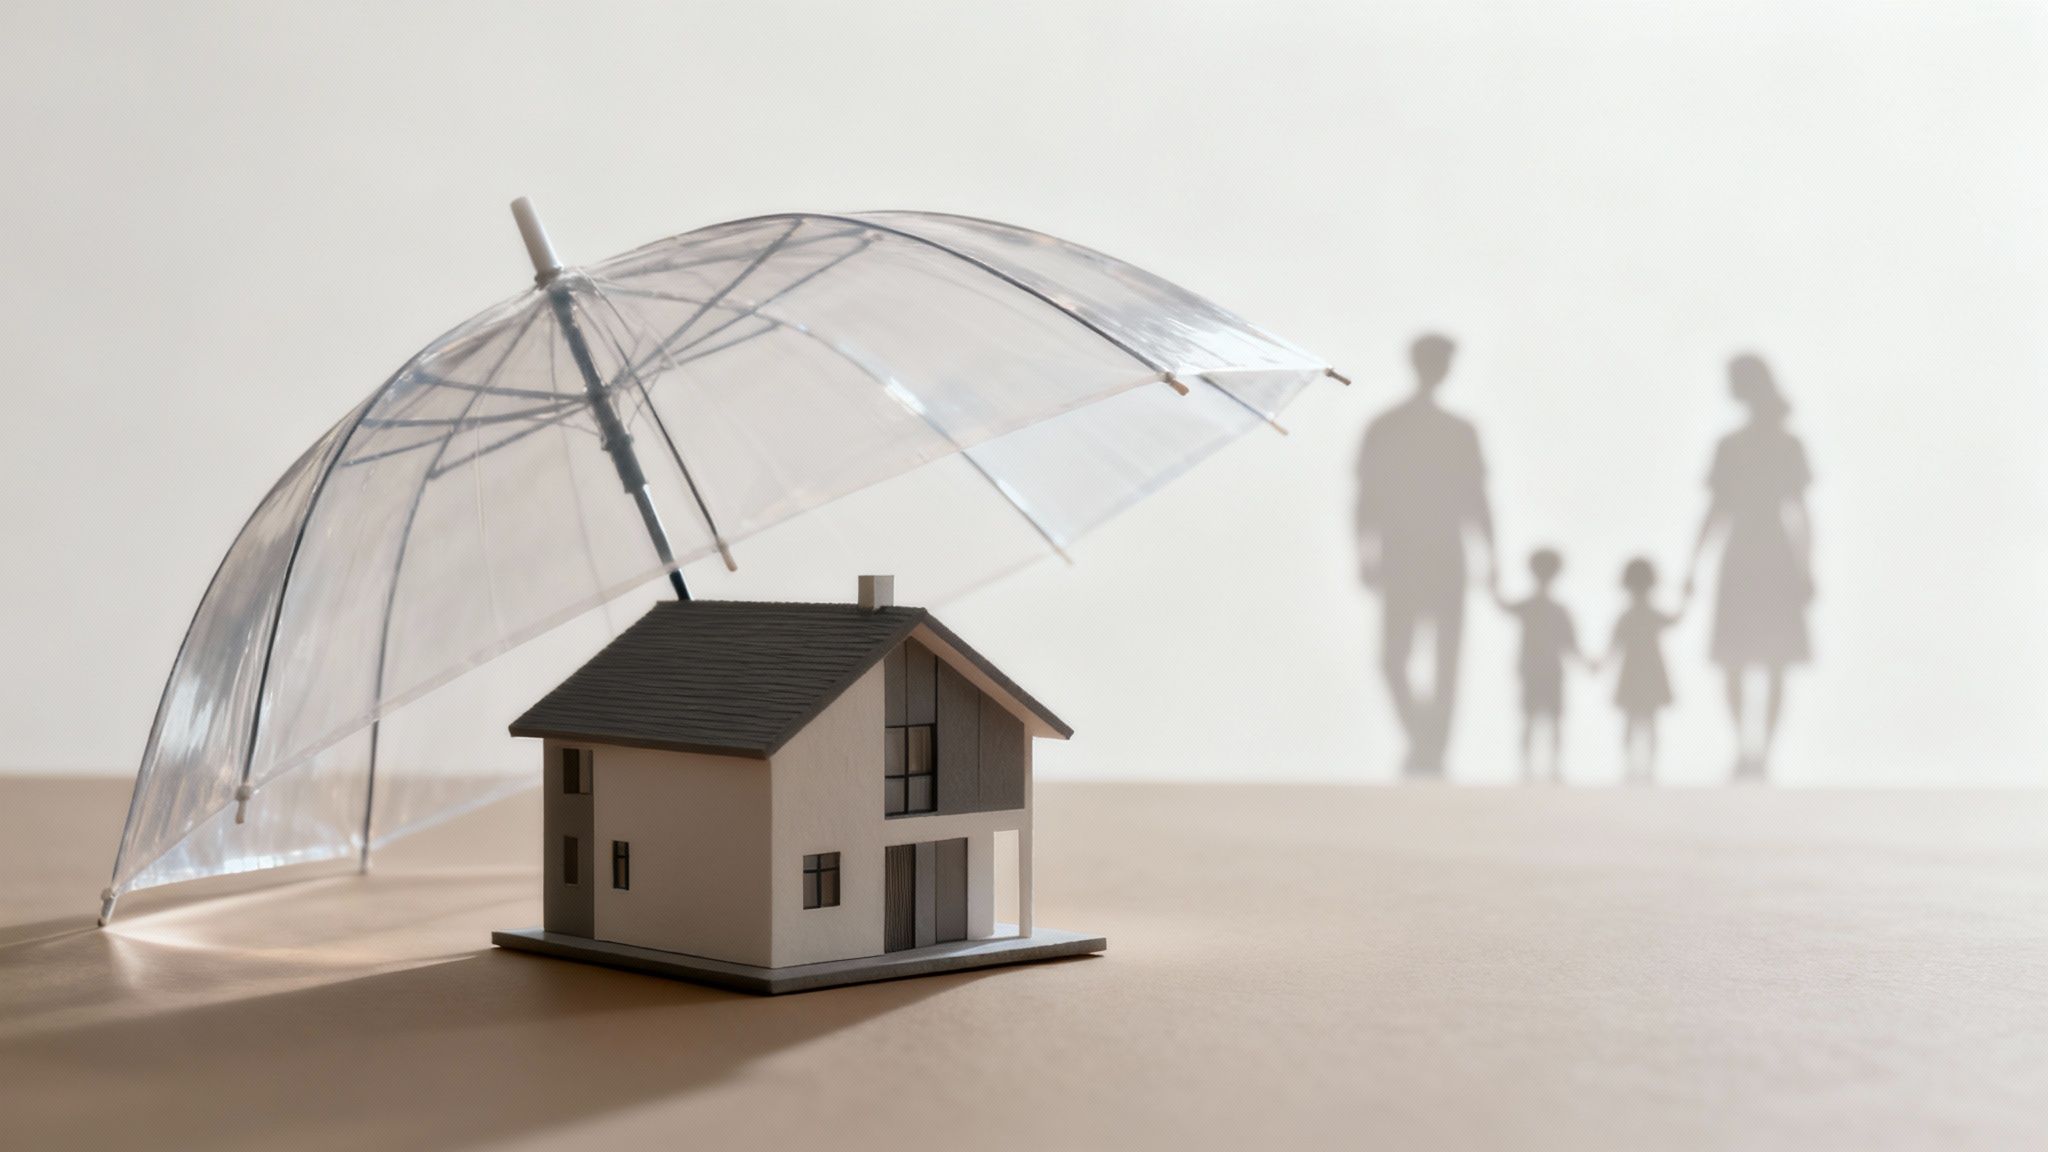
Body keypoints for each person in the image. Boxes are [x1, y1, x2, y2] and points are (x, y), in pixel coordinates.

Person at [1355, 333, 1497, 776]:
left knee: (1439, 659)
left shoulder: (1449, 429)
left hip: (1432, 553)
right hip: (1410, 552)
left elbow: (1476, 497)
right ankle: (1426, 741)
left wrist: (1491, 555)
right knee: (1403, 658)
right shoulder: (1391, 426)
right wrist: (1364, 551)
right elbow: (1367, 495)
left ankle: (1431, 748)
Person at [1684, 354, 1814, 780]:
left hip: (1758, 553)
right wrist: (1693, 565)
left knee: (1763, 659)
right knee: (1741, 659)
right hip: (1759, 553)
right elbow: (1719, 509)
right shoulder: (1740, 445)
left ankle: (1758, 752)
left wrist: (1806, 566)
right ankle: (1748, 749)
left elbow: (1797, 510)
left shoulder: (1773, 444)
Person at [1491, 548, 1587, 782]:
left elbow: (1570, 645)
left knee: (1538, 720)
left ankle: (1542, 767)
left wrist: (1492, 582)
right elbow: (1571, 646)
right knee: (1542, 721)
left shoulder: (1538, 608)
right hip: (1541, 672)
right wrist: (1589, 665)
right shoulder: (1555, 610)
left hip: (1539, 671)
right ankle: (1539, 767)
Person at [1603, 557, 1687, 781]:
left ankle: (1638, 767)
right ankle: (1641, 768)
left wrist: (1598, 666)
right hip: (1647, 671)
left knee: (1638, 722)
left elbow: (1613, 648)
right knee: (1646, 722)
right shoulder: (1643, 614)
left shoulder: (1628, 615)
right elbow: (1675, 619)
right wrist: (1686, 597)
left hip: (1636, 672)